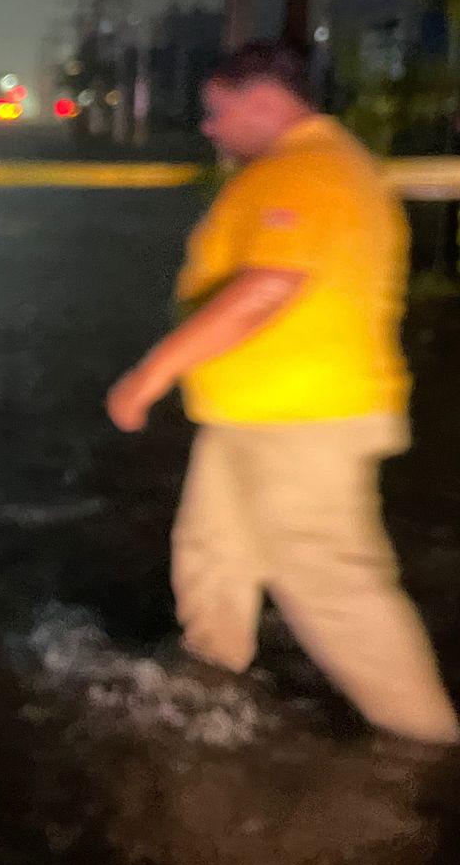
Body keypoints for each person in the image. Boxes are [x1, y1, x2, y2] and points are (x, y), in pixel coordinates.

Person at [107, 40, 459, 747]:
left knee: (332, 584)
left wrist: (149, 377)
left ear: (263, 101)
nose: (208, 127)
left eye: (216, 111)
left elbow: (266, 288)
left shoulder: (306, 171)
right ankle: (211, 684)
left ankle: (427, 746)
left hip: (302, 421)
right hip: (253, 416)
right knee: (212, 553)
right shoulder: (313, 168)